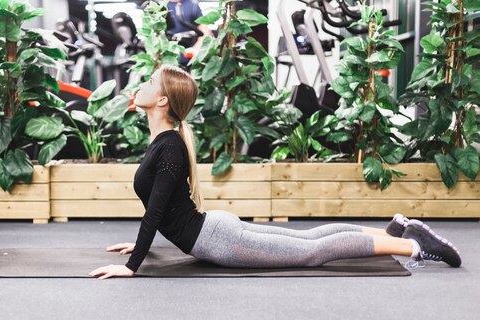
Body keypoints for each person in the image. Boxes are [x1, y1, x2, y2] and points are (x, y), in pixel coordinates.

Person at [89, 66, 462, 279]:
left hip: (218, 239)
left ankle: (414, 245)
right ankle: (392, 231)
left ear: (163, 100)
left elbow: (157, 211)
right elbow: (163, 208)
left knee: (311, 252)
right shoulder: (164, 140)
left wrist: (133, 265)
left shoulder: (168, 145)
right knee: (308, 239)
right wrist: (141, 245)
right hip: (214, 230)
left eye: (150, 83)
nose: (141, 85)